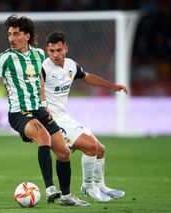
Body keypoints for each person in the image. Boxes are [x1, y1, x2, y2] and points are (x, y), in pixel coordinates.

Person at [0, 15, 89, 207]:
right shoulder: (4, 58)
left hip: (39, 110)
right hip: (20, 113)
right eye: (10, 34)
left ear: (27, 36)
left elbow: (40, 80)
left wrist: (45, 104)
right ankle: (50, 188)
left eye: (16, 34)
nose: (12, 38)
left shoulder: (38, 55)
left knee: (64, 153)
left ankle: (67, 196)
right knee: (43, 136)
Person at [42, 31, 127, 202]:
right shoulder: (43, 68)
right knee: (90, 147)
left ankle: (101, 185)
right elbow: (35, 90)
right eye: (52, 51)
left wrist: (112, 86)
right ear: (47, 50)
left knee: (100, 149)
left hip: (64, 116)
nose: (56, 55)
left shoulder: (72, 65)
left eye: (59, 50)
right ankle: (88, 186)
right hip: (51, 119)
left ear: (66, 48)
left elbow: (87, 77)